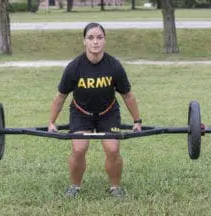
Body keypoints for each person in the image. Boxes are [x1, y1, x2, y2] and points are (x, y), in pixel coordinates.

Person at [48, 22, 142, 198]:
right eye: (90, 38)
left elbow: (127, 95)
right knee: (78, 149)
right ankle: (74, 186)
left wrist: (137, 121)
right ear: (84, 41)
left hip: (108, 113)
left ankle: (115, 187)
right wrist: (51, 122)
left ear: (105, 40)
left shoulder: (114, 66)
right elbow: (60, 96)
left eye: (99, 37)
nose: (95, 42)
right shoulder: (74, 67)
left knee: (113, 150)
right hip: (81, 113)